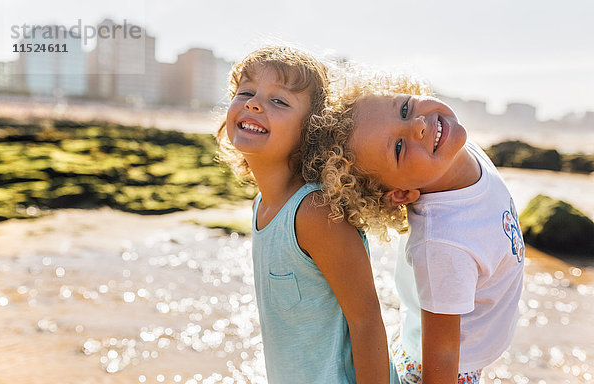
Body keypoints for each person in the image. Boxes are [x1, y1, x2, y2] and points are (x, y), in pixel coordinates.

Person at [305, 72, 525, 384]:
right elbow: (443, 354)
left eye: (405, 109)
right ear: (401, 194)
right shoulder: (444, 245)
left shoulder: (451, 145)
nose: (419, 126)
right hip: (443, 370)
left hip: (442, 343)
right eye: (398, 147)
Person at [216, 46, 397, 383]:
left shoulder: (314, 213)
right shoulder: (262, 204)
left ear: (312, 130)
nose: (254, 103)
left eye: (279, 101)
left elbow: (367, 322)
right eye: (246, 92)